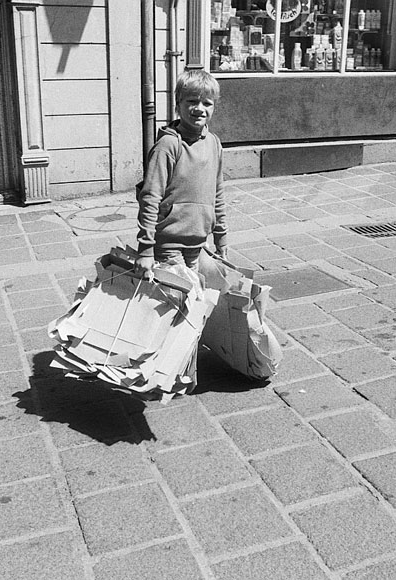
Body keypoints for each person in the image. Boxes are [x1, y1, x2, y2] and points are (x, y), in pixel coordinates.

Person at [133, 69, 228, 391]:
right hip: (168, 242)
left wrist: (221, 236)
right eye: (191, 101)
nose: (199, 108)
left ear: (214, 107)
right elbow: (150, 197)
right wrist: (146, 249)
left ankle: (178, 369)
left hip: (197, 243)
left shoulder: (213, 144)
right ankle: (167, 373)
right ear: (178, 104)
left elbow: (217, 193)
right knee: (177, 305)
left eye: (207, 103)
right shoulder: (167, 146)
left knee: (192, 303)